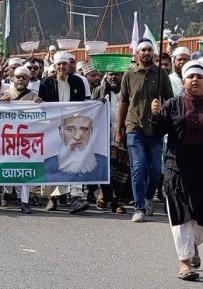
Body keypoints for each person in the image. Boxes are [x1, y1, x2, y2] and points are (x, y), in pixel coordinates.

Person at [151, 60, 203, 281]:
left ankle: (193, 243)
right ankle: (184, 263)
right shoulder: (172, 105)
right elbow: (157, 132)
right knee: (180, 214)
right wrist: (155, 115)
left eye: (199, 77)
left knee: (199, 222)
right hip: (176, 167)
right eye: (191, 76)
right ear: (183, 81)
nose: (195, 80)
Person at [116, 38, 174, 222]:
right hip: (134, 127)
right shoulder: (129, 74)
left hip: (155, 128)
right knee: (138, 167)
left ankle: (148, 197)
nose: (147, 53)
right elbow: (124, 103)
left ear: (154, 53)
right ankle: (139, 207)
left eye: (150, 50)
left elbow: (170, 100)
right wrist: (119, 129)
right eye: (143, 50)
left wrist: (162, 111)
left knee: (155, 170)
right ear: (137, 54)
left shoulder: (161, 73)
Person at [37, 52, 90, 214]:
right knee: (52, 162)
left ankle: (75, 197)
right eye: (59, 64)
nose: (62, 67)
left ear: (69, 65)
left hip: (73, 128)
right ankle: (52, 199)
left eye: (64, 64)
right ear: (54, 66)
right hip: (52, 128)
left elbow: (84, 104)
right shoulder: (46, 83)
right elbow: (42, 105)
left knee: (74, 160)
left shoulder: (78, 82)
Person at [0, 65, 39, 214]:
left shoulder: (33, 96)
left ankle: (24, 200)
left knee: (24, 170)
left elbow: (40, 115)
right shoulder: (5, 94)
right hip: (7, 138)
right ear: (13, 78)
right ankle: (6, 192)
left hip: (25, 140)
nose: (21, 80)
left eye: (24, 77)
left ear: (28, 80)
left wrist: (39, 104)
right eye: (18, 77)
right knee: (6, 166)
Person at [91, 71, 129, 213]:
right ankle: (112, 201)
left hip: (124, 135)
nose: (114, 77)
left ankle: (114, 198)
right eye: (111, 74)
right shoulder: (99, 91)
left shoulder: (128, 90)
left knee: (121, 171)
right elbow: (89, 111)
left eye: (117, 74)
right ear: (106, 76)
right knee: (107, 170)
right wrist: (97, 103)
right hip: (104, 137)